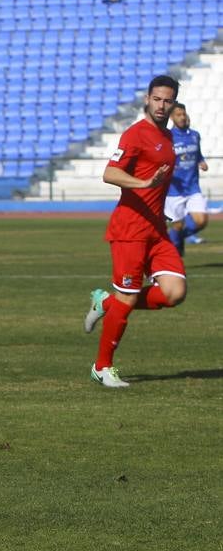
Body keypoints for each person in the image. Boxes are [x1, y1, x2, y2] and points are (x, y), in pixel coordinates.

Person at [82, 76, 185, 388]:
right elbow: (110, 173)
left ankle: (106, 303)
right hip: (130, 229)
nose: (161, 105)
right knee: (127, 297)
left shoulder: (167, 137)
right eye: (157, 99)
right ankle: (102, 367)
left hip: (156, 230)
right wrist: (143, 184)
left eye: (167, 100)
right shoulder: (135, 134)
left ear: (174, 102)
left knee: (174, 292)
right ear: (147, 99)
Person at [165, 103, 209, 252]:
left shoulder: (195, 135)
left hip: (192, 187)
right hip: (174, 190)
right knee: (177, 225)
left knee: (201, 221)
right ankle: (173, 254)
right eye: (178, 115)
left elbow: (198, 154)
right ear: (171, 117)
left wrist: (201, 161)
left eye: (183, 114)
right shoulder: (168, 137)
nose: (182, 117)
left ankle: (171, 240)